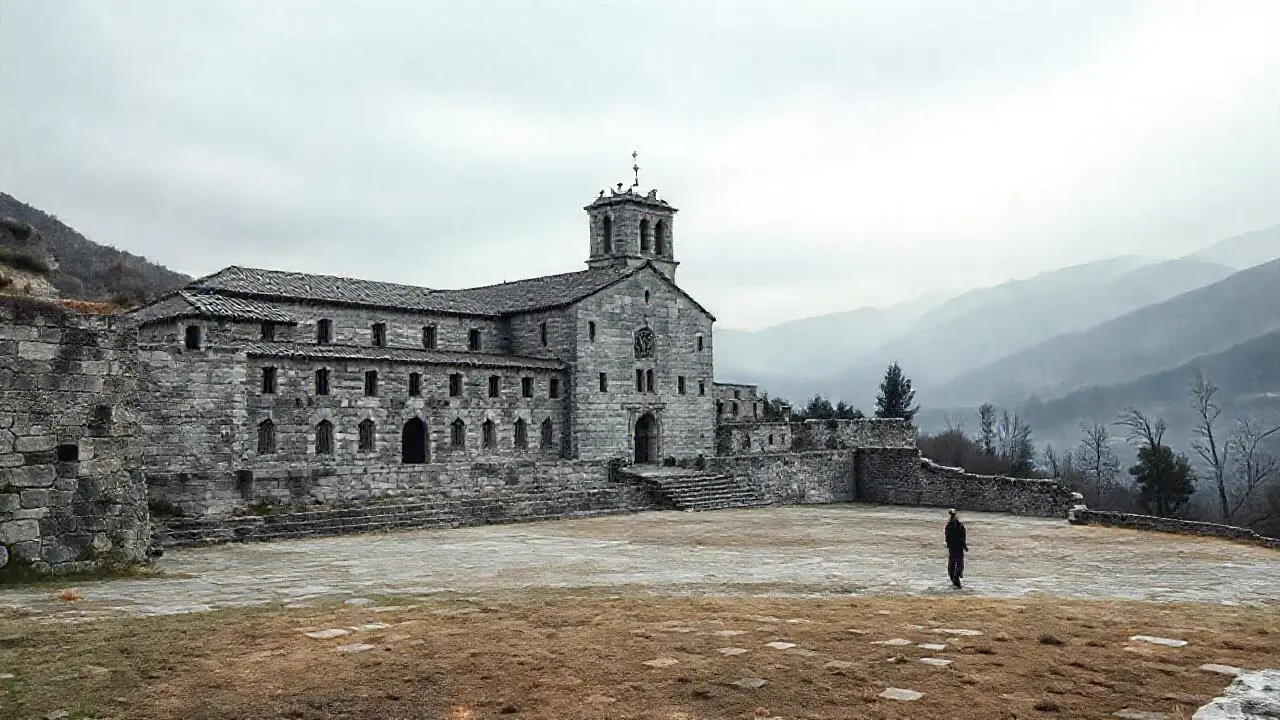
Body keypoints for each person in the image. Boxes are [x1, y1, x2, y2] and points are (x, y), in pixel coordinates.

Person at [944, 508, 968, 588]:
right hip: (958, 548)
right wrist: (964, 546)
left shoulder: (948, 526)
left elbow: (947, 538)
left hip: (952, 548)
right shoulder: (959, 525)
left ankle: (956, 578)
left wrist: (947, 544)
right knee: (959, 563)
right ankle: (958, 575)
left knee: (952, 564)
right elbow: (963, 537)